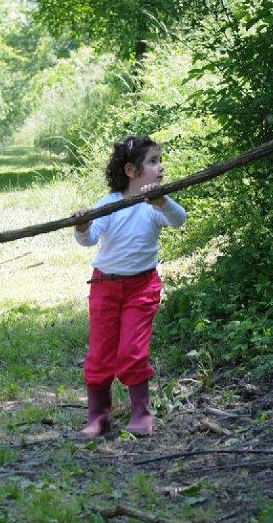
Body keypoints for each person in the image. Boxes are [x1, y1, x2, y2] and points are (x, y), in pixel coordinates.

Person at [71, 135, 186, 437]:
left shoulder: (155, 204)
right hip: (105, 287)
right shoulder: (109, 204)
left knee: (132, 350)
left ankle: (141, 413)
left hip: (142, 288)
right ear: (131, 171)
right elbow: (89, 239)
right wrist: (81, 226)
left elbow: (179, 219)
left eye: (160, 161)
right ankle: (98, 416)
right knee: (100, 352)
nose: (160, 167)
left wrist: (162, 200)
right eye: (152, 162)